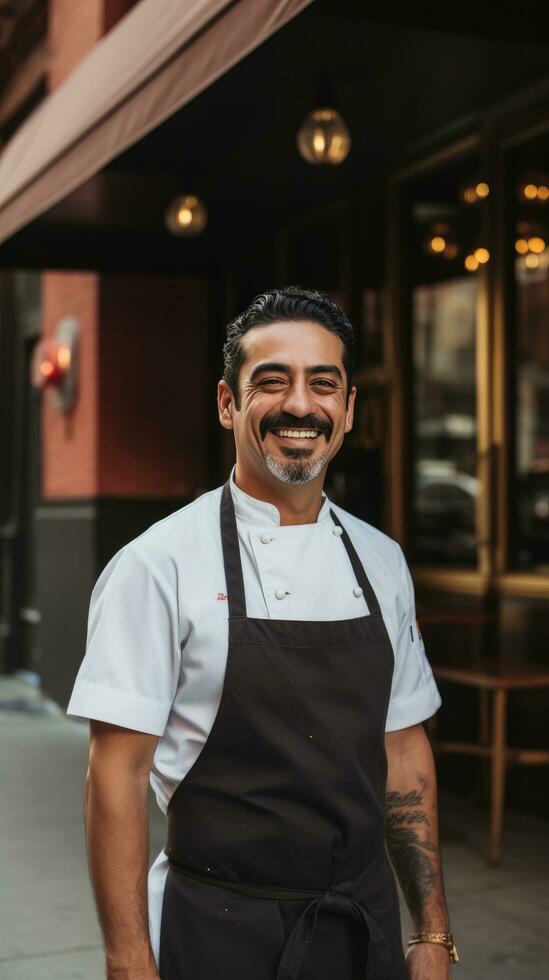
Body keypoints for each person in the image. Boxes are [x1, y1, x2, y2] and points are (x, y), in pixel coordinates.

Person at [67, 286, 457, 980]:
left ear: (348, 410)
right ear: (227, 404)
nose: (300, 406)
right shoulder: (157, 564)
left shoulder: (381, 560)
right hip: (216, 927)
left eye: (322, 385)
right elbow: (115, 775)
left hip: (360, 924)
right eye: (270, 382)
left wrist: (431, 933)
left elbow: (402, 751)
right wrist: (128, 961)